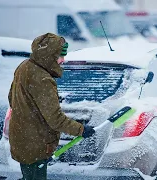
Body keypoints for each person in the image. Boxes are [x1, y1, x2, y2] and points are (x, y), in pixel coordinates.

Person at [8, 33, 95, 180]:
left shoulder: (24, 66)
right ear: (49, 56)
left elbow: (12, 98)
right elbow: (55, 119)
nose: (62, 60)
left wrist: (36, 106)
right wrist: (80, 129)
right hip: (35, 144)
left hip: (21, 139)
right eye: (60, 56)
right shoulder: (43, 79)